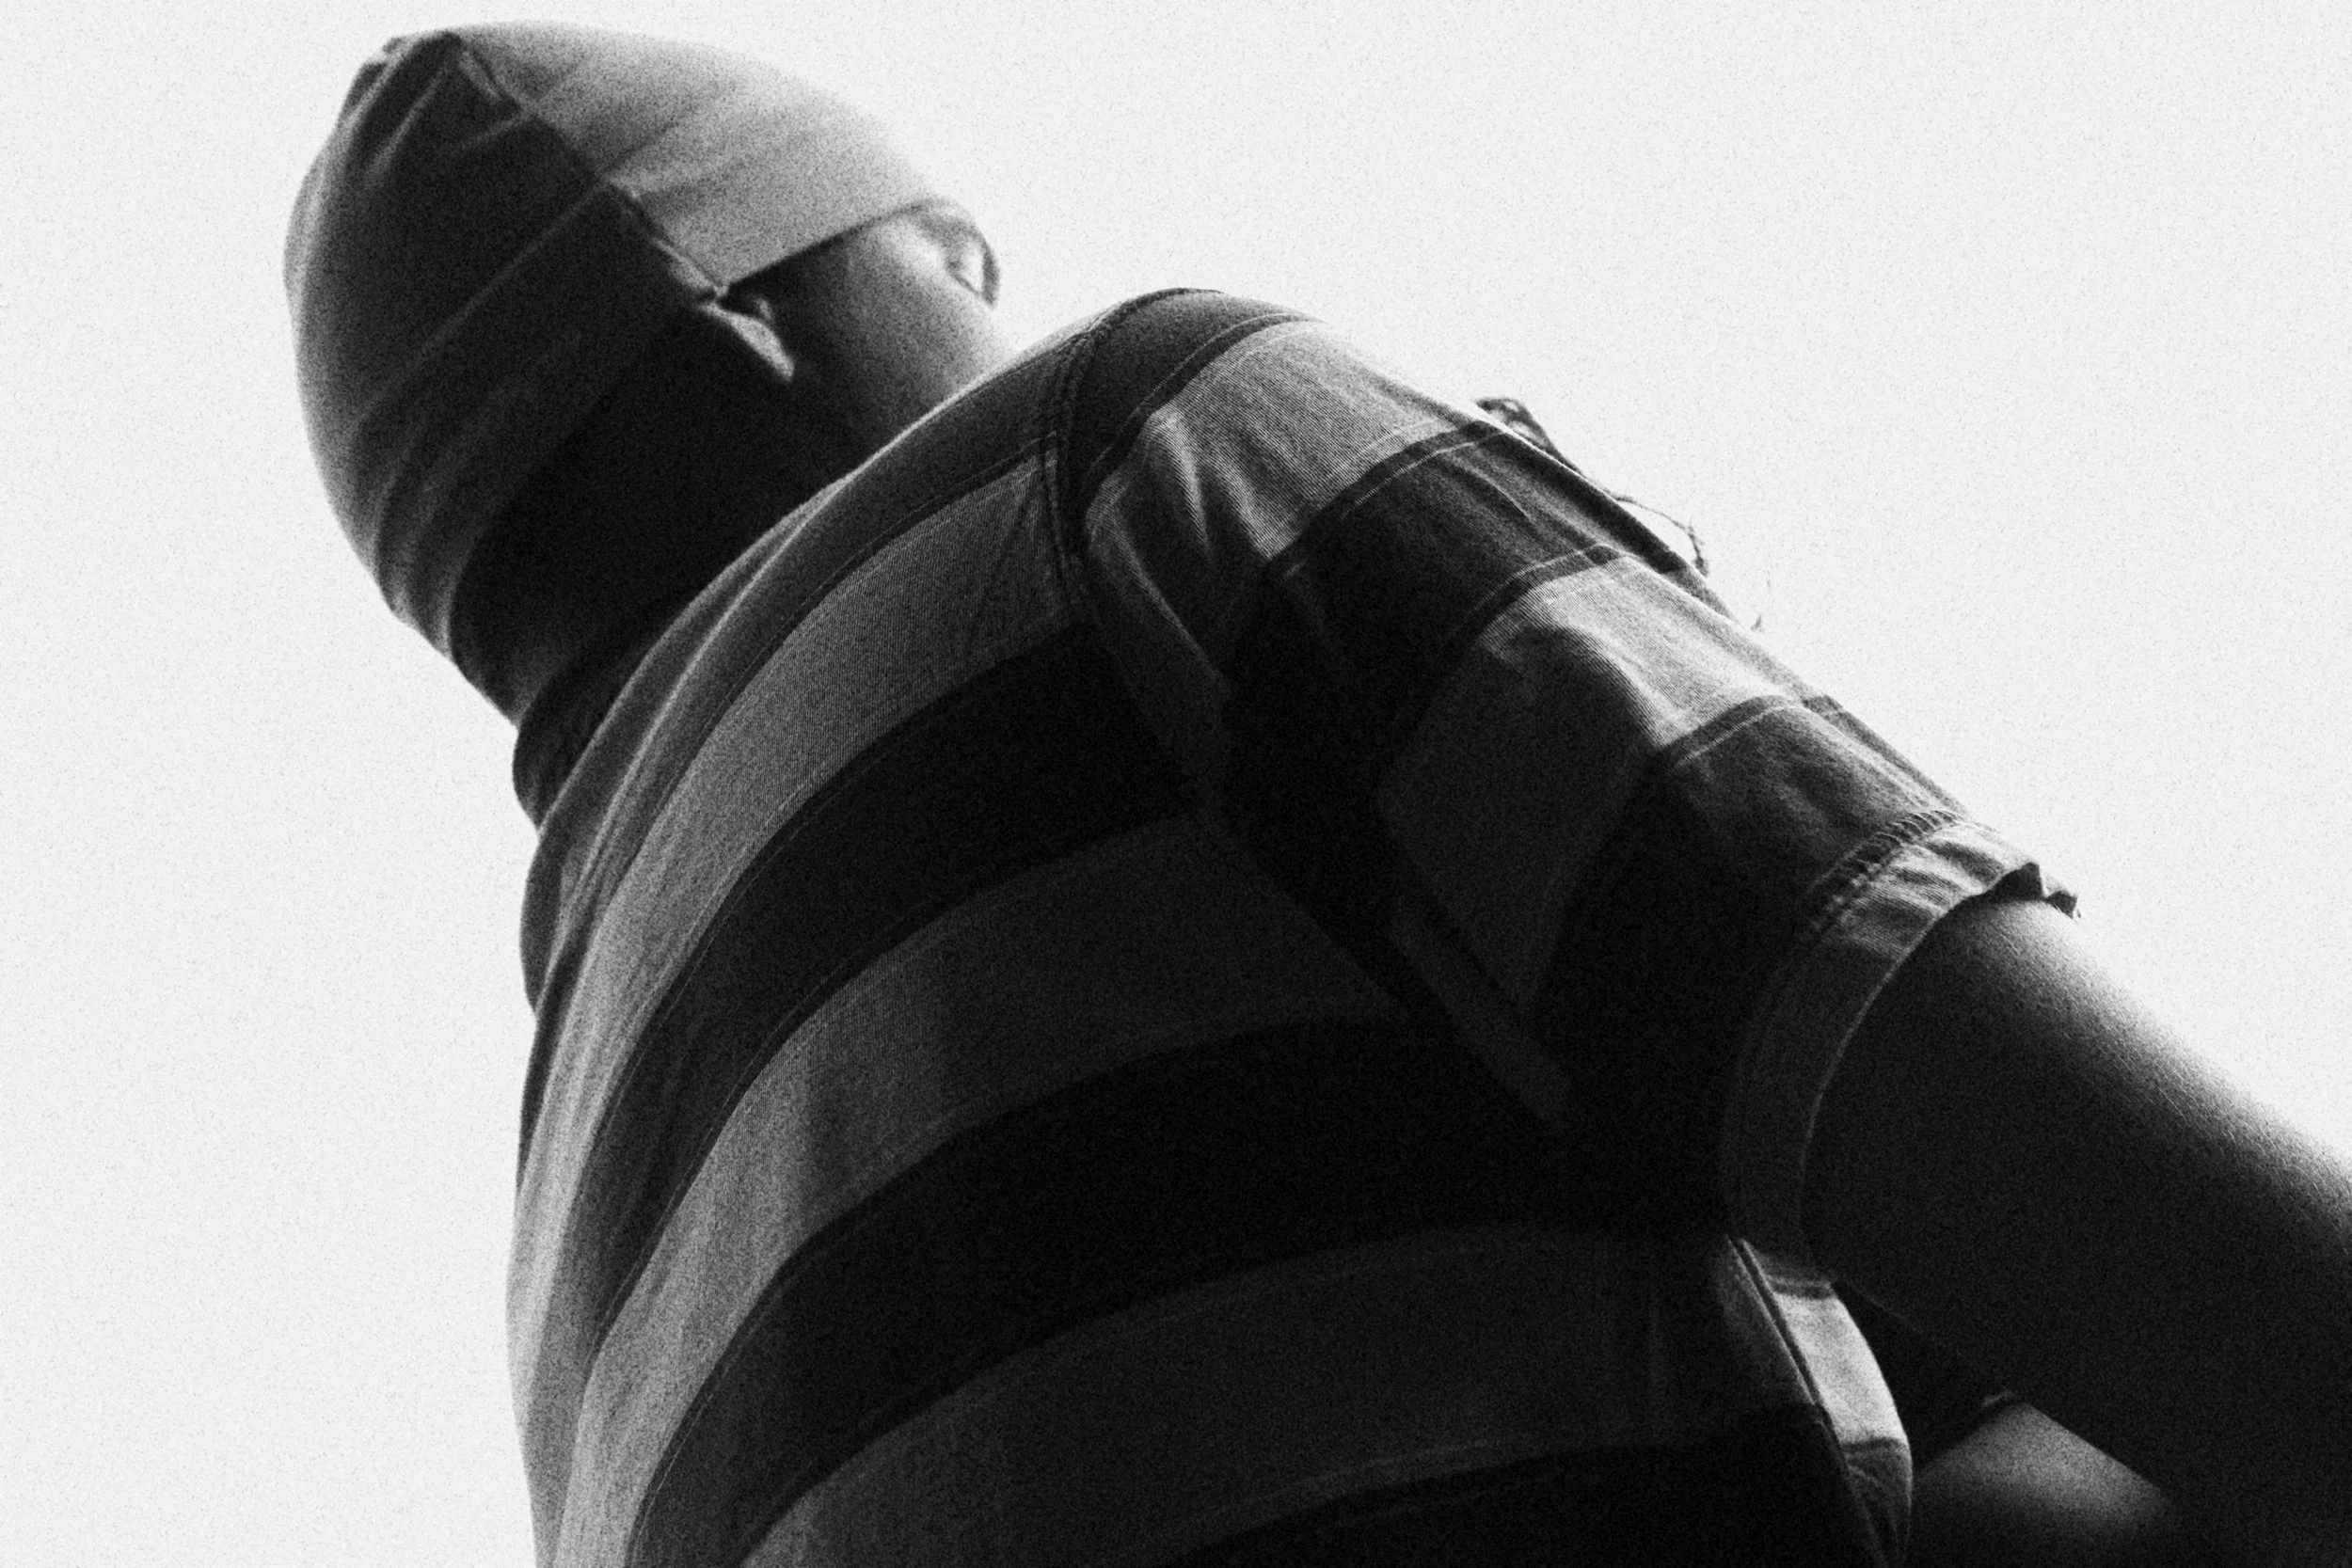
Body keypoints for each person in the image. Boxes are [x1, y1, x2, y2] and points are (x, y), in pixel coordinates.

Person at [284, 22, 2351, 1567]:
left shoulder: (584, 1245)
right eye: (958, 259)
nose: (1014, 312)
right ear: (730, 311)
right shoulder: (1110, 463)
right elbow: (2222, 1297)